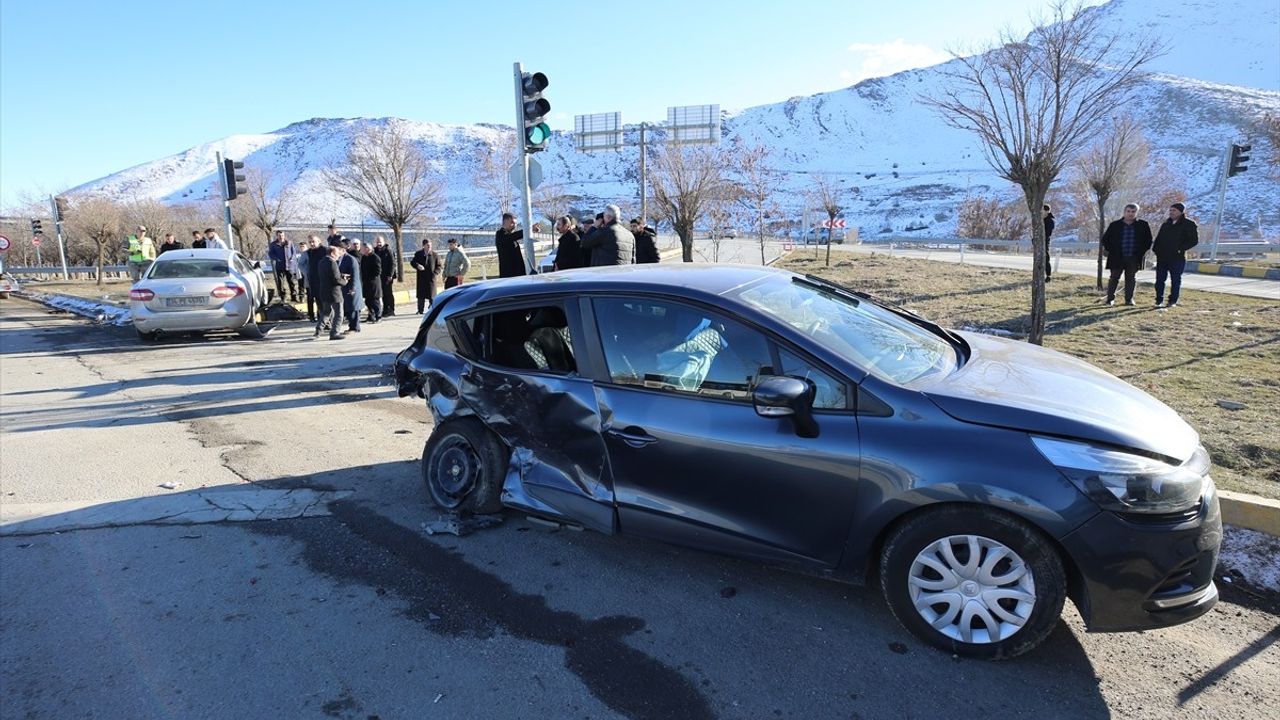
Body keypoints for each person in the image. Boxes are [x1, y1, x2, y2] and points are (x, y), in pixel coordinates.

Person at [1101, 203, 1153, 306]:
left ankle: (1129, 299)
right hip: (1117, 257)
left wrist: (1141, 252)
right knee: (1114, 278)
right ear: (1124, 212)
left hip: (1134, 257)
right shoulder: (1115, 225)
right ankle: (1110, 299)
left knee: (1131, 279)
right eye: (1128, 211)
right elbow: (1105, 240)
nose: (1130, 214)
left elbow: (1148, 241)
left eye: (1133, 212)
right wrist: (1111, 250)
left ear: (1136, 213)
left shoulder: (1143, 225)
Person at [1152, 202, 1199, 308]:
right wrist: (1156, 250)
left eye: (1174, 210)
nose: (1171, 212)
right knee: (1159, 279)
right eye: (1170, 210)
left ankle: (1173, 300)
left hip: (1177, 257)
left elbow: (1194, 240)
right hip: (1162, 256)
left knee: (1175, 279)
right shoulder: (1166, 224)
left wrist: (1180, 248)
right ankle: (1159, 299)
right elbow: (1158, 239)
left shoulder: (1189, 224)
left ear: (1181, 212)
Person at [314, 242, 347, 340]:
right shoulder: (332, 263)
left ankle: (318, 330)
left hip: (324, 291)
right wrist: (344, 281)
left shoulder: (321, 262)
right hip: (334, 292)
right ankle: (334, 332)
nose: (338, 256)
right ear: (332, 253)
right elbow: (336, 279)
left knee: (326, 312)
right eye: (337, 254)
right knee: (339, 314)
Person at [339, 238, 363, 332]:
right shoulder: (340, 259)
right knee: (348, 307)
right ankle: (351, 326)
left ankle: (355, 327)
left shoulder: (351, 259)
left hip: (352, 287)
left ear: (343, 250)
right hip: (344, 287)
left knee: (353, 308)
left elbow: (355, 275)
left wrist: (353, 288)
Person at [411, 238, 441, 313]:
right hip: (421, 279)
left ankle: (433, 310)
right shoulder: (418, 254)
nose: (429, 247)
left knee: (432, 296)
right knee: (421, 296)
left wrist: (435, 273)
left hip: (431, 279)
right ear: (423, 246)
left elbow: (439, 266)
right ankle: (420, 310)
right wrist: (417, 265)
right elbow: (412, 262)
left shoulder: (435, 255)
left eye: (430, 245)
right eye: (427, 245)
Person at [268, 230, 297, 302]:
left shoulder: (289, 243)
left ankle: (294, 297)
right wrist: (276, 259)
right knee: (281, 283)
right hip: (280, 266)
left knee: (291, 282)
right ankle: (283, 297)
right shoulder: (273, 244)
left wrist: (292, 258)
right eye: (279, 235)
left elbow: (293, 252)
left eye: (282, 235)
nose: (281, 237)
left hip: (289, 266)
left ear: (284, 235)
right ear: (277, 236)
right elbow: (271, 254)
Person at [495, 212, 526, 278]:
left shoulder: (511, 235)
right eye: (512, 223)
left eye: (515, 223)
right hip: (508, 275)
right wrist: (528, 230)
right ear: (505, 222)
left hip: (518, 274)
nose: (515, 225)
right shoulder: (500, 234)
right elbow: (511, 237)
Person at [304, 235, 327, 322]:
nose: (312, 244)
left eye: (313, 241)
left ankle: (327, 322)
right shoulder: (309, 252)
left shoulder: (325, 250)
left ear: (319, 241)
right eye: (310, 242)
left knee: (326, 305)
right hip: (314, 282)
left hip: (324, 282)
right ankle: (324, 322)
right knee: (319, 303)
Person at [359, 244, 383, 323]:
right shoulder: (364, 257)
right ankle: (371, 316)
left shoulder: (375, 257)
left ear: (367, 249)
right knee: (368, 301)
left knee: (375, 301)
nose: (361, 250)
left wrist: (369, 277)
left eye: (362, 249)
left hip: (373, 283)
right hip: (366, 283)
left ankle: (378, 316)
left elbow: (378, 271)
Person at [374, 236, 397, 316]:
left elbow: (393, 264)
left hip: (387, 276)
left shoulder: (388, 251)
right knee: (382, 294)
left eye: (380, 242)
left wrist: (390, 275)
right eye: (377, 242)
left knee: (388, 293)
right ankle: (385, 310)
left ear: (383, 242)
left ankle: (391, 309)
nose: (378, 244)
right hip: (379, 276)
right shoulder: (375, 251)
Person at [1042, 204, 1055, 283]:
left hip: (1045, 241)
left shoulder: (1050, 221)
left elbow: (1048, 233)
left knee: (1046, 258)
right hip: (1039, 241)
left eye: (1042, 210)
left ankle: (1048, 276)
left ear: (1047, 211)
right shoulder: (1041, 219)